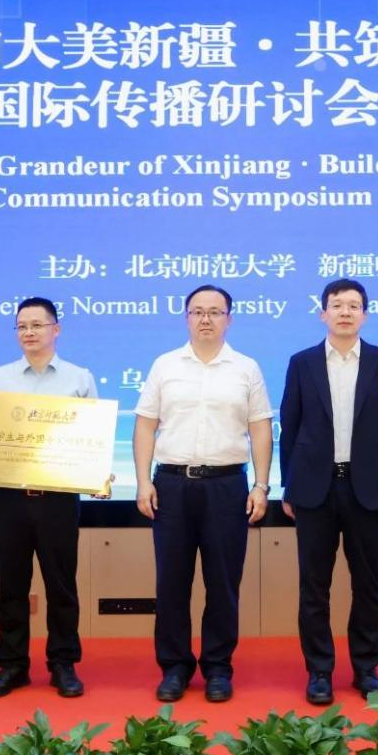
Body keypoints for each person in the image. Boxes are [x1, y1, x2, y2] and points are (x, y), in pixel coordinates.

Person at [132, 284, 273, 703]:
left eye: (214, 311)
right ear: (186, 318)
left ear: (229, 318)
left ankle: (218, 668)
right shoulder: (165, 365)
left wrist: (261, 484)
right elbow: (145, 425)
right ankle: (174, 667)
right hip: (172, 486)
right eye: (197, 311)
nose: (206, 319)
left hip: (227, 486)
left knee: (223, 583)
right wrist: (143, 481)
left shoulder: (246, 368)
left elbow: (260, 428)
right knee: (171, 583)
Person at [0, 297, 105, 700]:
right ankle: (12, 665)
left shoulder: (79, 378)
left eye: (37, 325)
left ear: (55, 329)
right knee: (11, 585)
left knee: (61, 585)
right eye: (22, 326)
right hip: (9, 497)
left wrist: (96, 474)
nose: (29, 332)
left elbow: (91, 439)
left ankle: (63, 663)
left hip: (58, 498)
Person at [279, 279, 378, 705]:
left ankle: (366, 668)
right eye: (337, 305)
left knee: (368, 584)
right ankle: (319, 671)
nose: (345, 312)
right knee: (314, 586)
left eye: (354, 306)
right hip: (314, 489)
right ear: (323, 314)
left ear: (364, 315)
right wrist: (289, 484)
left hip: (366, 487)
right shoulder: (302, 362)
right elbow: (290, 424)